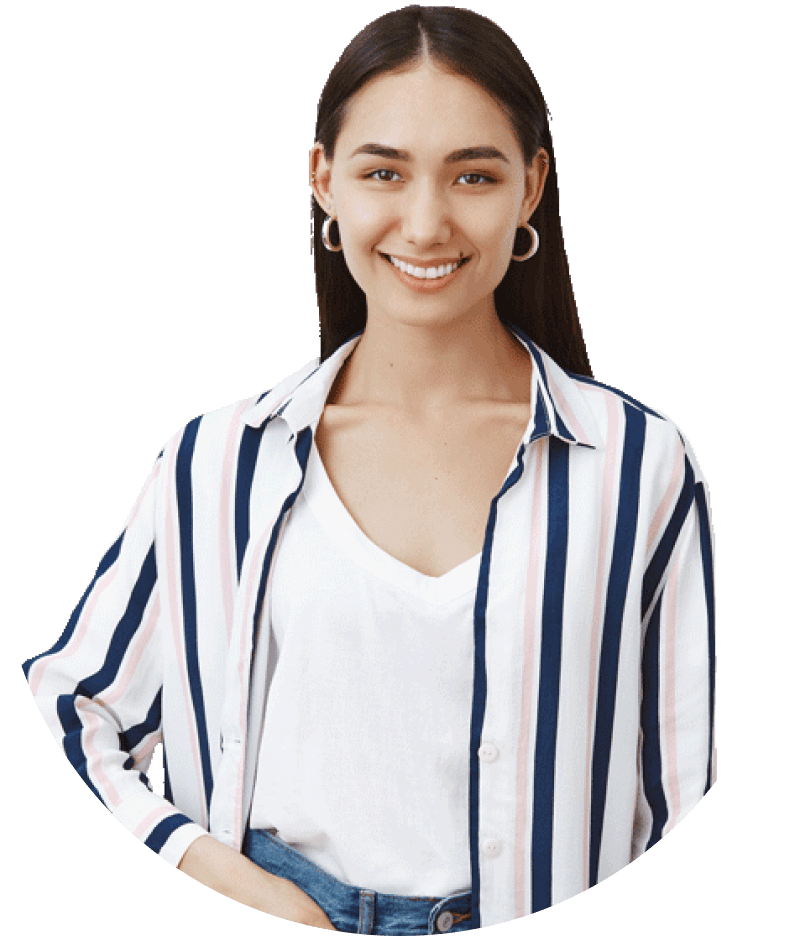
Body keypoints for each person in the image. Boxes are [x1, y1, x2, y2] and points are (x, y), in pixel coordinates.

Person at [22, 7, 715, 933]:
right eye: (383, 171)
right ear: (323, 181)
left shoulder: (640, 467)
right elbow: (70, 705)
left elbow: (682, 789)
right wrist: (209, 870)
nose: (425, 224)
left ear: (532, 187)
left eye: (474, 175)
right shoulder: (217, 462)